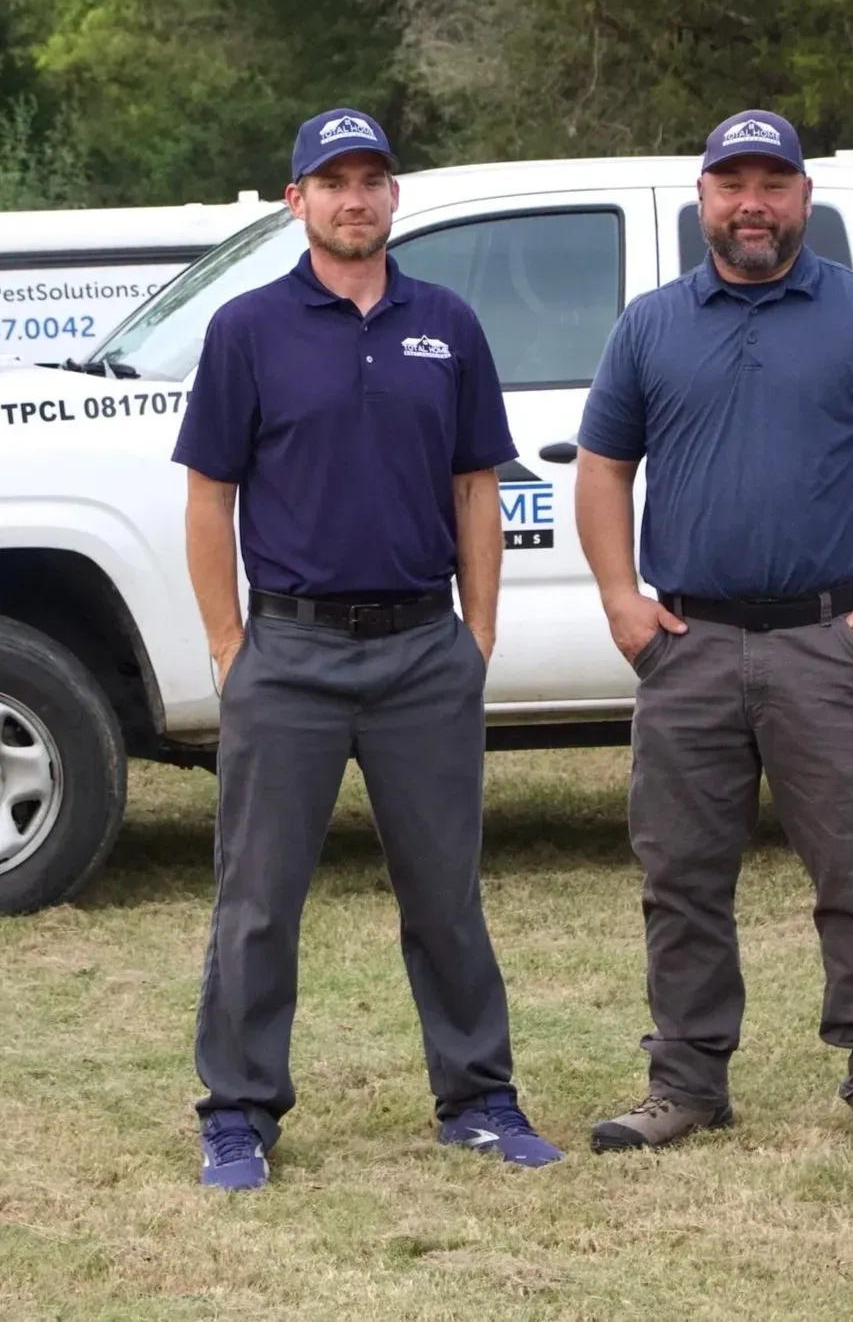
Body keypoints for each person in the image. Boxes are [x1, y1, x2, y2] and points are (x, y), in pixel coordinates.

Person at [172, 106, 562, 1189]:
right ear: (296, 200)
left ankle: (479, 1098)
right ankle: (239, 1113)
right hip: (289, 655)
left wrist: (475, 635)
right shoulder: (247, 329)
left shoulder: (448, 324)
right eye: (332, 181)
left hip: (421, 653)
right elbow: (210, 497)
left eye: (372, 179)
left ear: (395, 196)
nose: (355, 198)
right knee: (258, 897)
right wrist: (228, 646)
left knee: (445, 891)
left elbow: (478, 486)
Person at [576, 109, 853, 1157]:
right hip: (688, 647)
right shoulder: (649, 325)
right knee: (682, 878)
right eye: (732, 183)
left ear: (803, 197)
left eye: (773, 183)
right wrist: (621, 599)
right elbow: (602, 468)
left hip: (825, 646)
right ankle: (686, 1082)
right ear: (703, 197)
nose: (754, 203)